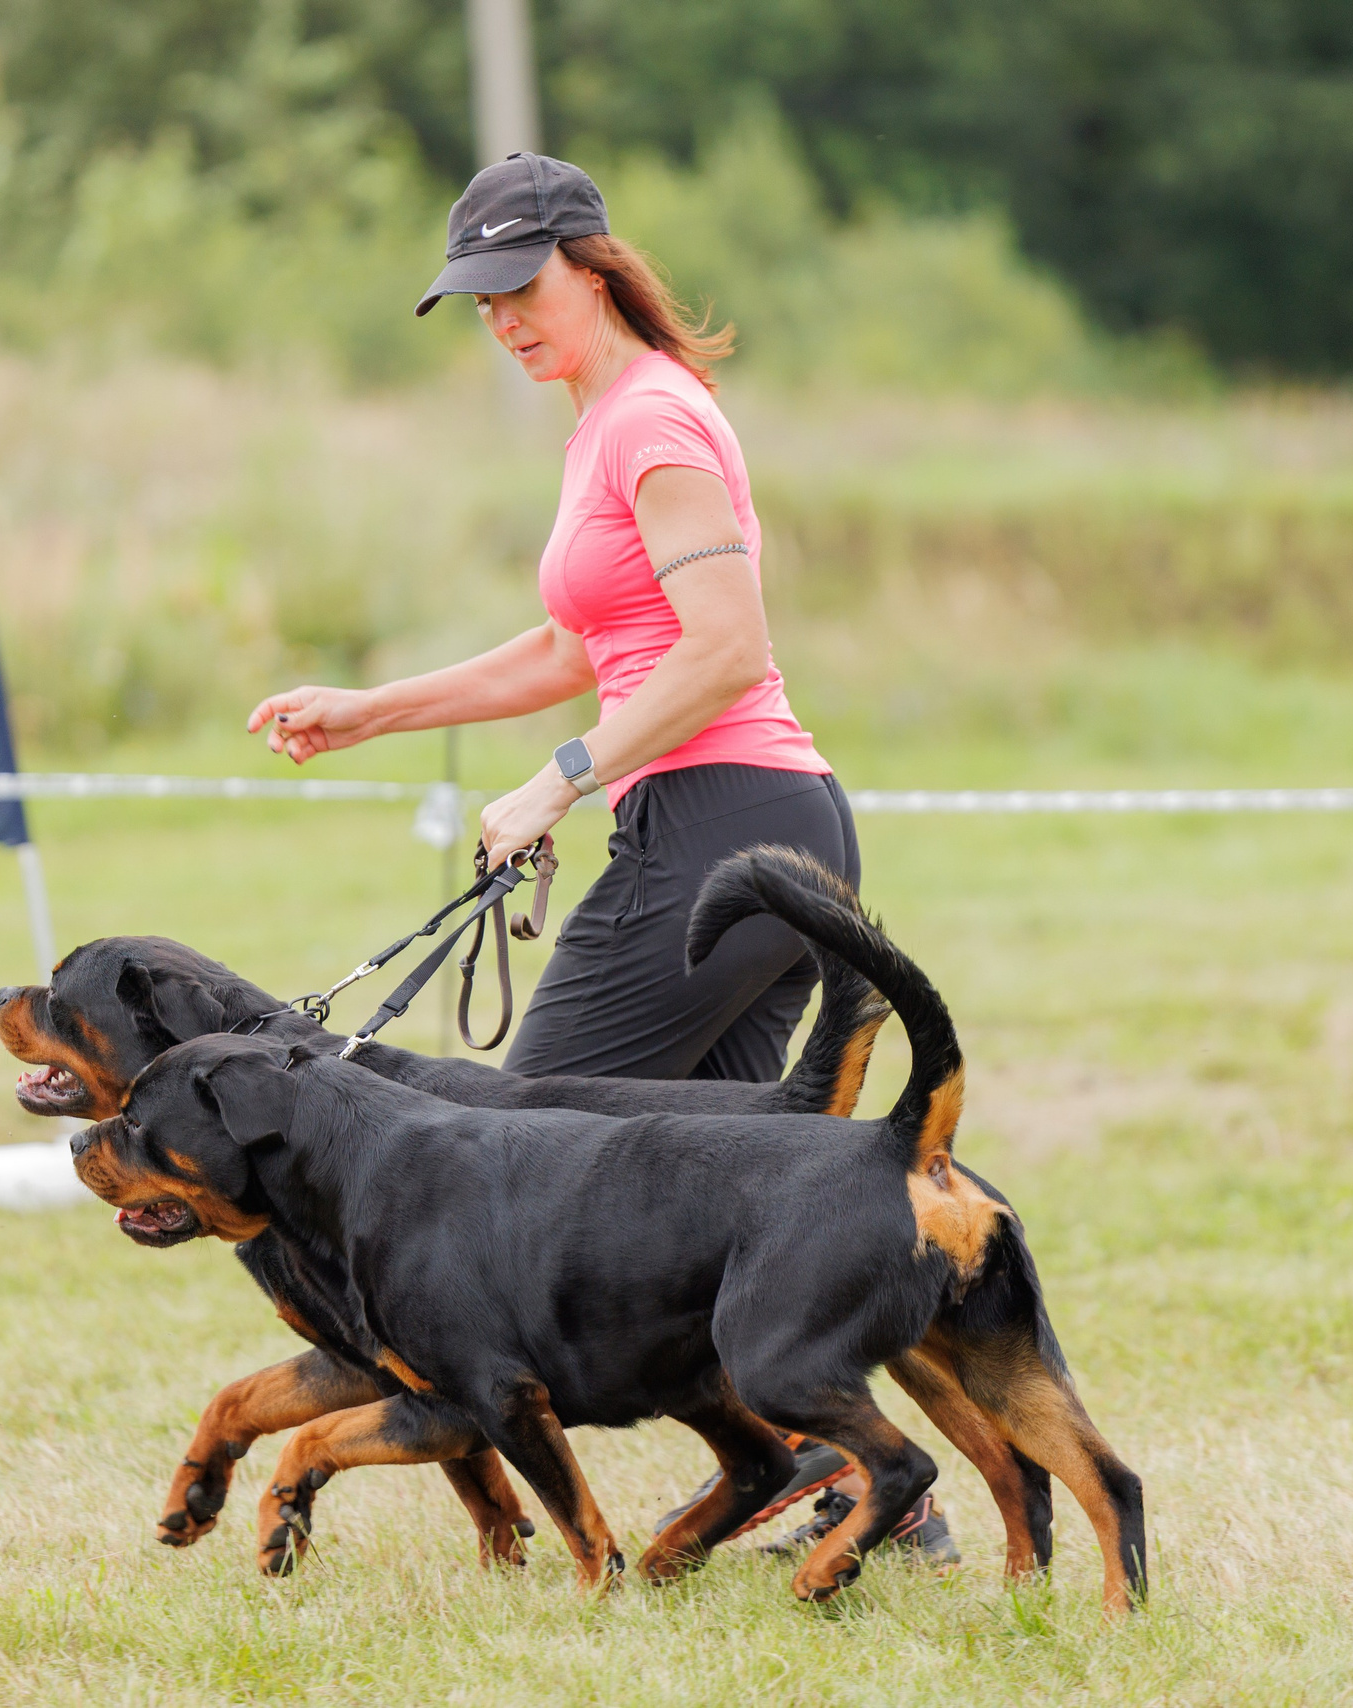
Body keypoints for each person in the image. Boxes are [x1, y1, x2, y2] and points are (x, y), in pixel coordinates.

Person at [244, 151, 951, 1565]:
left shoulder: (657, 422)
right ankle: (866, 1480)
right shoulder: (605, 422)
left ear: (592, 263)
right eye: (479, 299)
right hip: (750, 830)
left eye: (521, 285)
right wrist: (376, 708)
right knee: (748, 1194)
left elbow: (726, 648)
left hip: (719, 828)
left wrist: (559, 779)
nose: (503, 318)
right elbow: (579, 646)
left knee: (514, 1159)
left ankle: (618, 1455)